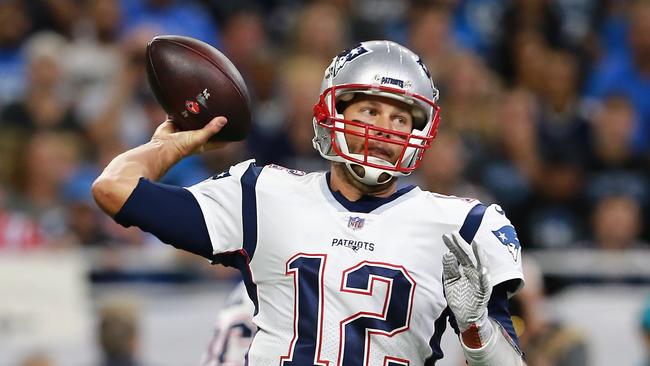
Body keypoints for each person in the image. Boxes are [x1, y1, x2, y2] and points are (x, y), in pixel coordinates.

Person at [92, 40, 525, 365]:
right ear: (333, 114)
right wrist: (172, 145)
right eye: (370, 112)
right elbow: (115, 189)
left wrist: (475, 328)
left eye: (400, 118)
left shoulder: (463, 225)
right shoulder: (263, 194)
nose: (385, 130)